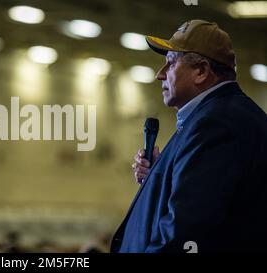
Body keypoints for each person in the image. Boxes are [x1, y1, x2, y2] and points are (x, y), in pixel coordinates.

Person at [110, 19, 267, 253]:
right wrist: (161, 176)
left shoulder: (216, 124)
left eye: (170, 64)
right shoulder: (219, 116)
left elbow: (185, 233)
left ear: (201, 71)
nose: (159, 75)